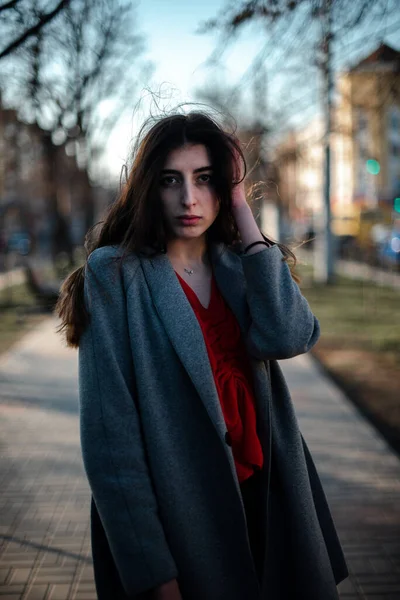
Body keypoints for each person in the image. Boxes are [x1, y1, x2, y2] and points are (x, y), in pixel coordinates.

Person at [56, 111, 348, 600]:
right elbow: (111, 440)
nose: (189, 198)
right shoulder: (116, 275)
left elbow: (290, 336)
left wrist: (241, 206)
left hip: (271, 505)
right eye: (171, 180)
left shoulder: (240, 267)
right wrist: (152, 571)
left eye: (206, 179)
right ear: (150, 186)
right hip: (184, 517)